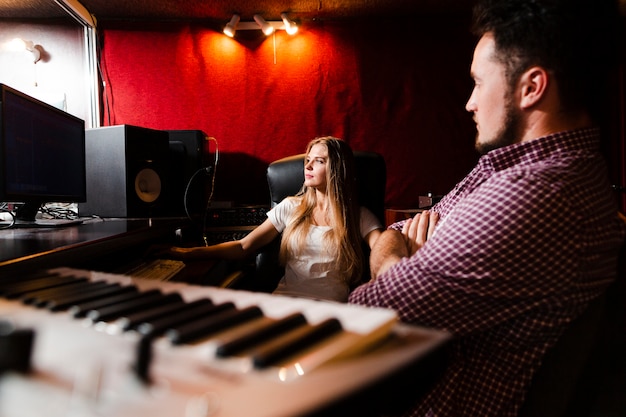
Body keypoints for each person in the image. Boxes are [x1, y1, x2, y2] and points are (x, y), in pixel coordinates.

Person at [348, 0, 626, 416]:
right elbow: (401, 231)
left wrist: (392, 267)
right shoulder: (506, 168)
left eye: (478, 82)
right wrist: (405, 256)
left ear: (531, 87)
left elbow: (366, 312)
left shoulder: (532, 196)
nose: (469, 103)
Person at [161, 136, 382, 302]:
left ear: (337, 169)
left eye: (319, 161)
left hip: (330, 312)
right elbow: (243, 246)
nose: (308, 166)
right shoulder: (290, 207)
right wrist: (186, 253)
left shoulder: (357, 215)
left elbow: (382, 248)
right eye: (308, 159)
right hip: (283, 303)